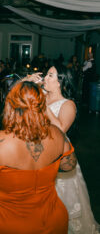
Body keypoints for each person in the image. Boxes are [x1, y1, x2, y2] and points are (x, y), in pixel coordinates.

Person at [0, 81, 76, 234]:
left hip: (8, 224)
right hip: (51, 221)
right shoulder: (57, 133)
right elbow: (69, 165)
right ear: (42, 106)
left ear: (10, 106)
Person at [43, 65, 100, 234]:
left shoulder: (68, 104)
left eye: (50, 75)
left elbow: (60, 130)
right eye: (46, 74)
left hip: (58, 156)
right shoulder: (41, 96)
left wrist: (43, 106)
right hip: (36, 153)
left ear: (61, 81)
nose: (45, 78)